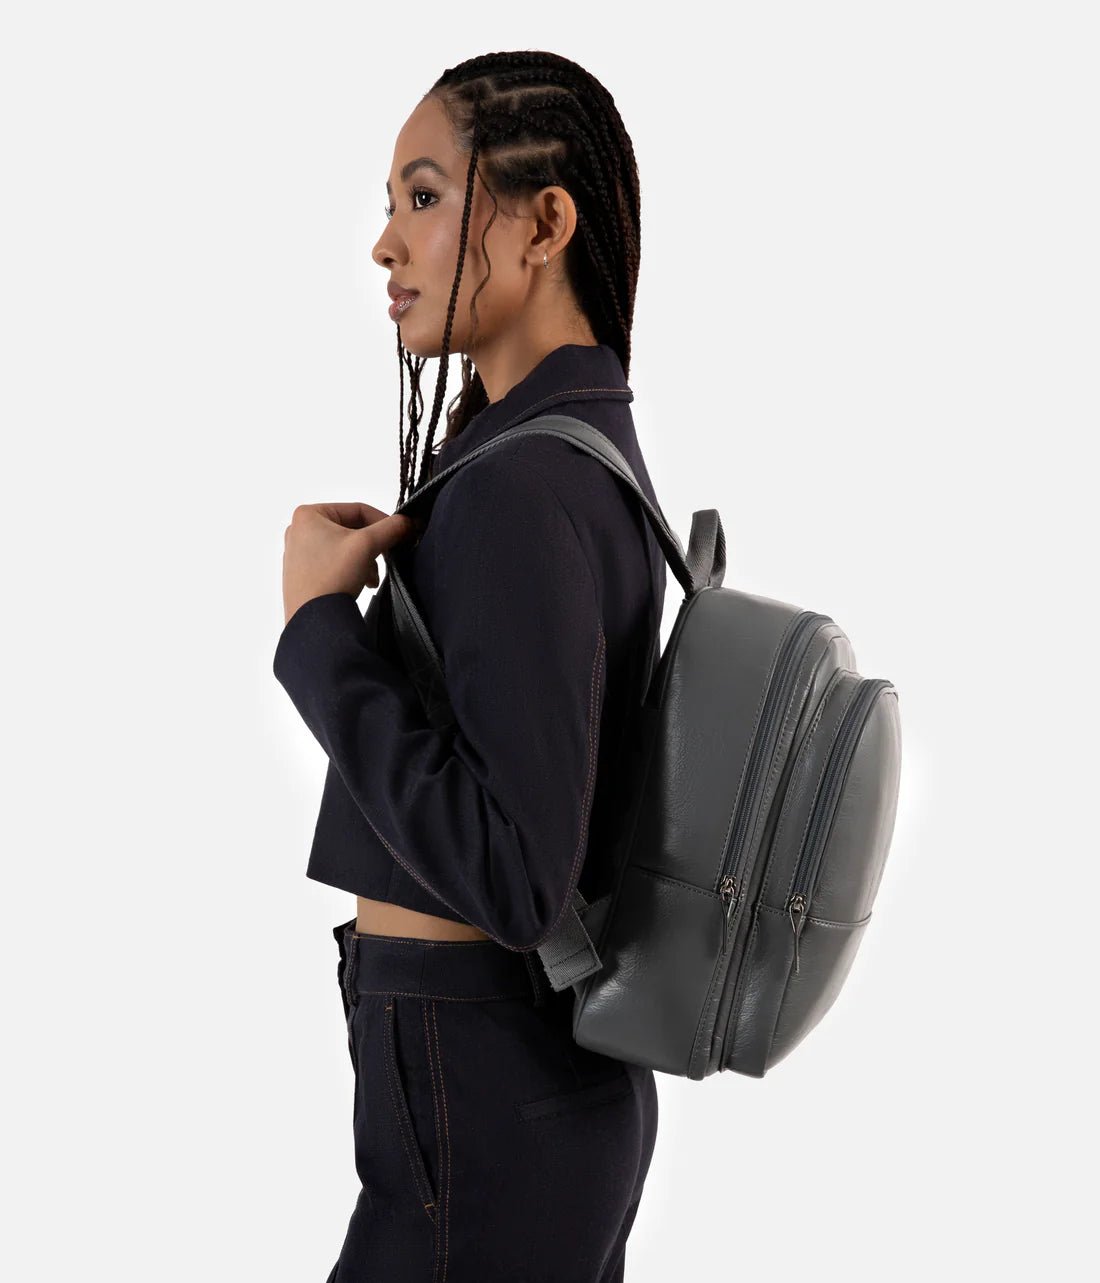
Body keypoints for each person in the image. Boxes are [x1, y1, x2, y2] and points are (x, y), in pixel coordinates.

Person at [274, 50, 665, 1282]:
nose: (385, 243)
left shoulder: (521, 486)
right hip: (515, 1093)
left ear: (542, 225)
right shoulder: (565, 448)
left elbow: (514, 876)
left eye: (425, 196)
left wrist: (317, 631)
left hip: (482, 1095)